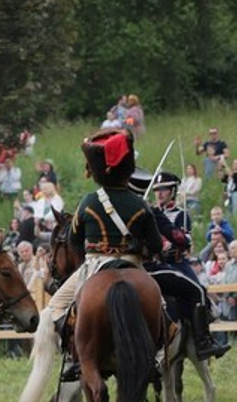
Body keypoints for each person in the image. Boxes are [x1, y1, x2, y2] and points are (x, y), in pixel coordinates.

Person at [37, 129, 160, 383]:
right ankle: (154, 360)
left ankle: (77, 356)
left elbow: (73, 241)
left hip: (94, 266)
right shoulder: (141, 205)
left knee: (56, 307)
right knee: (163, 311)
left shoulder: (88, 202)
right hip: (133, 266)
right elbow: (156, 245)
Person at [144, 170, 229, 363]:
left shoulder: (181, 215)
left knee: (199, 291)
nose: (159, 193)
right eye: (156, 190)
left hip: (176, 262)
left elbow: (182, 240)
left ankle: (202, 340)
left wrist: (169, 241)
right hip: (156, 263)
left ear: (173, 191)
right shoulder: (149, 213)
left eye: (164, 189)